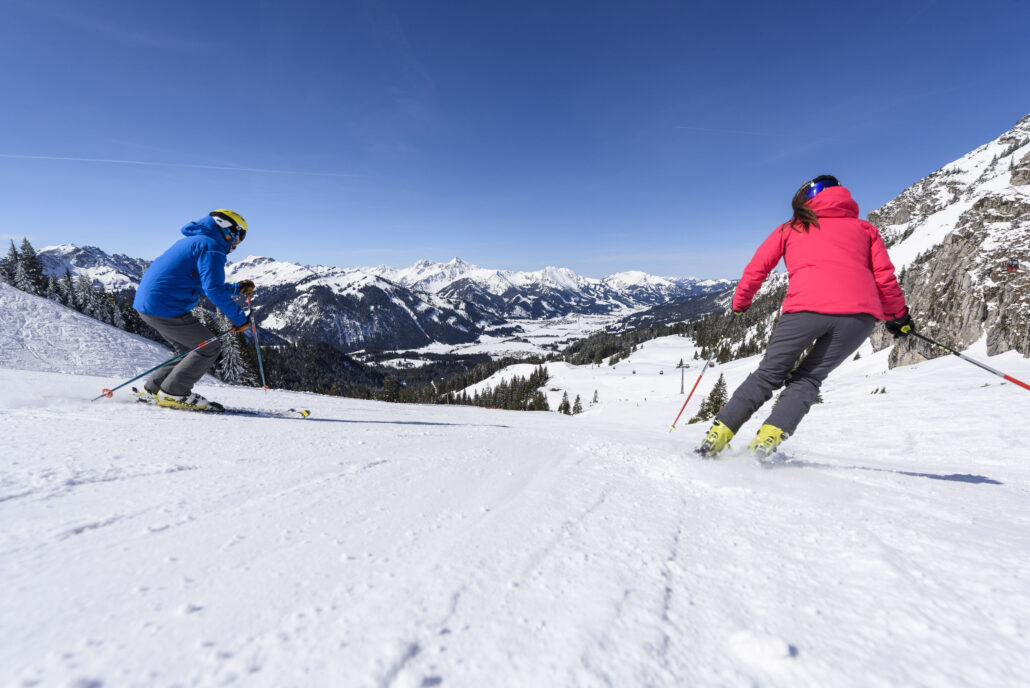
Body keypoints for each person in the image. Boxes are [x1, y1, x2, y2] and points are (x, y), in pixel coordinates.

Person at [697, 176, 913, 458]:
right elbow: (884, 279)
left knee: (767, 375)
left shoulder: (792, 228)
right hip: (858, 318)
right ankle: (764, 446)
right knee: (808, 379)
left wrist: (740, 303)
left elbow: (757, 269)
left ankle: (716, 439)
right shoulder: (866, 230)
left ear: (805, 199)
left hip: (805, 310)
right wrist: (898, 317)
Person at [133, 209, 255, 410]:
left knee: (187, 348)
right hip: (165, 306)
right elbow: (213, 289)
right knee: (209, 346)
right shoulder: (211, 246)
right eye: (240, 236)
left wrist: (236, 289)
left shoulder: (198, 241)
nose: (237, 243)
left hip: (150, 304)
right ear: (228, 229)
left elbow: (200, 282)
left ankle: (153, 390)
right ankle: (174, 393)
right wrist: (240, 319)